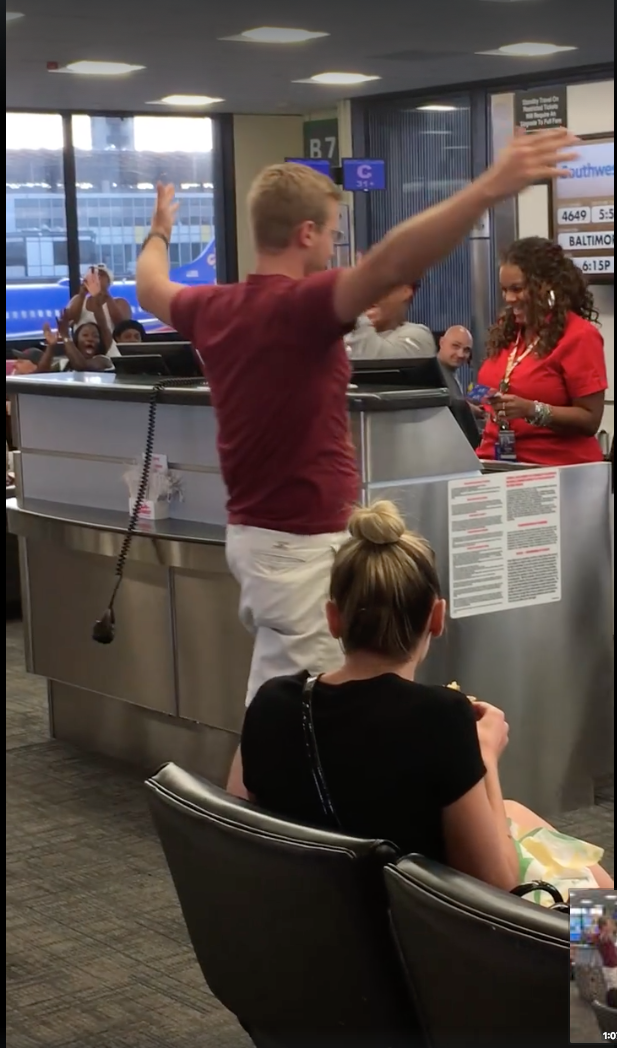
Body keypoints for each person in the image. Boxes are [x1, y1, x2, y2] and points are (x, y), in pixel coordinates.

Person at [134, 127, 580, 797]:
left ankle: (233, 840)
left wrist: (161, 228)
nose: (339, 249)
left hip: (259, 539)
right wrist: (493, 185)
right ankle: (260, 860)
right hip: (300, 550)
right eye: (334, 233)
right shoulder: (301, 308)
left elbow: (148, 285)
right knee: (306, 723)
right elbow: (394, 261)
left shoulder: (215, 306)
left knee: (275, 708)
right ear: (308, 232)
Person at [241, 500, 613, 896]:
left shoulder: (271, 704)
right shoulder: (439, 718)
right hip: (416, 943)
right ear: (436, 618)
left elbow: (233, 824)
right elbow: (501, 883)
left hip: (307, 925)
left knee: (515, 812)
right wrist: (483, 753)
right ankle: (604, 958)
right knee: (598, 892)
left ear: (333, 618)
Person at [477, 237, 608, 465]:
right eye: (504, 290)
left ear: (546, 285)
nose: (508, 298)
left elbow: (590, 420)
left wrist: (531, 409)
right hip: (494, 463)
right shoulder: (507, 331)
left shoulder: (578, 335)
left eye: (517, 289)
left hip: (553, 471)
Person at [345, 283, 437, 359]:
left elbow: (374, 362)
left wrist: (355, 315)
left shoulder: (419, 336)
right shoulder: (341, 338)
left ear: (404, 291)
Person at [66, 264, 131, 336]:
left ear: (108, 281)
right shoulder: (77, 299)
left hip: (109, 344)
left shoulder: (119, 302)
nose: (97, 277)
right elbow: (69, 319)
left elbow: (123, 326)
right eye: (93, 275)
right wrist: (82, 294)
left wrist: (106, 295)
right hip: (80, 345)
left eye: (101, 275)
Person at [594, 918, 617, 990]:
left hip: (609, 966)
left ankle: (611, 1000)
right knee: (613, 988)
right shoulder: (601, 936)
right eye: (609, 924)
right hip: (611, 967)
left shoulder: (605, 936)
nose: (611, 926)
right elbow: (604, 937)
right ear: (604, 926)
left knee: (610, 988)